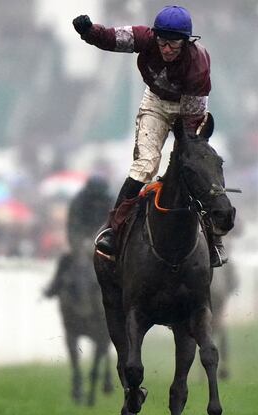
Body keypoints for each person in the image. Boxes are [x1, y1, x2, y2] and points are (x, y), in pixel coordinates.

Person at [72, 5, 230, 267]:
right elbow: (113, 39)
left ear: (187, 42)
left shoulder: (197, 66)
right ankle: (113, 228)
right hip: (156, 103)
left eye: (173, 44)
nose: (166, 49)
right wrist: (89, 32)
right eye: (162, 42)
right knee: (144, 165)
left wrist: (186, 150)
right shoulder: (145, 38)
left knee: (192, 166)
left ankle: (213, 239)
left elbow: (190, 123)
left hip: (187, 109)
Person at [45, 175, 113, 298]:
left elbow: (112, 222)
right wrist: (79, 245)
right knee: (66, 259)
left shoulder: (109, 200)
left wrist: (101, 240)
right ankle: (55, 285)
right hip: (82, 238)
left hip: (103, 238)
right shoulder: (79, 201)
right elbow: (74, 225)